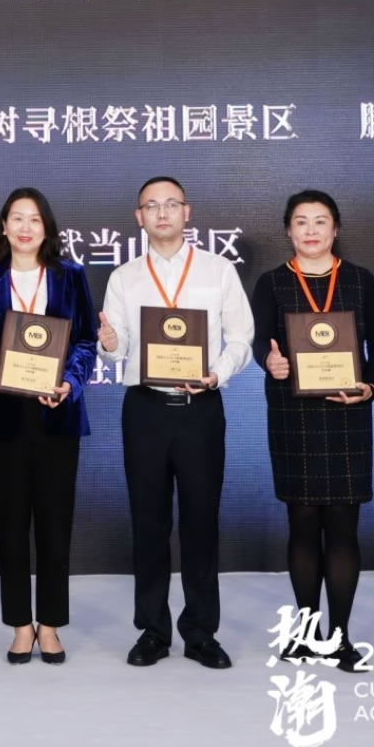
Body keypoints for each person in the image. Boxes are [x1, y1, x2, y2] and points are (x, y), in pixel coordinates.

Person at [98, 176, 253, 671]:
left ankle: (201, 632)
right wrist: (109, 344)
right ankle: (153, 630)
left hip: (200, 408)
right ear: (138, 217)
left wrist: (216, 374)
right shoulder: (124, 277)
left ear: (188, 212)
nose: (161, 213)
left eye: (171, 205)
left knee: (201, 522)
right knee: (149, 522)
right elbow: (118, 347)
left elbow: (241, 337)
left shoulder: (218, 270)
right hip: (144, 409)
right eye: (151, 206)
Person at [0, 187, 96, 665]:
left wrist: (70, 383)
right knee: (9, 525)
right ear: (4, 228)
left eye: (34, 219)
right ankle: (20, 626)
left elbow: (85, 342)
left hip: (57, 412)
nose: (25, 227)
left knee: (54, 524)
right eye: (17, 218)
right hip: (4, 418)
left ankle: (50, 625)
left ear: (46, 228)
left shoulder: (71, 276)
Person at [249, 189, 374, 672]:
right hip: (293, 416)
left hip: (347, 414)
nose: (311, 230)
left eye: (320, 221)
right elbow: (260, 343)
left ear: (336, 228)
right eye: (301, 221)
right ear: (288, 230)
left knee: (344, 528)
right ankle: (307, 633)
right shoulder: (272, 282)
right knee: (303, 525)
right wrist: (268, 362)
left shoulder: (360, 280)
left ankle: (341, 637)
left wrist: (370, 386)